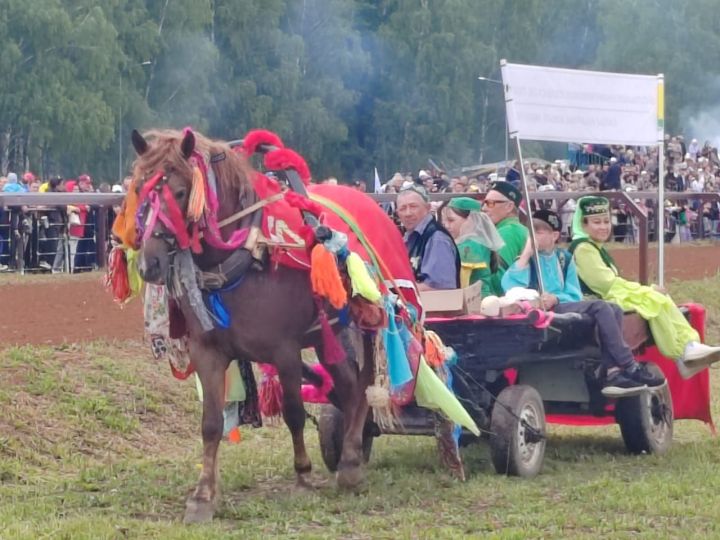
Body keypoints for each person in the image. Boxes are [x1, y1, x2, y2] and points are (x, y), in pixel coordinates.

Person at [502, 209, 665, 397]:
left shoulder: (565, 259)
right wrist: (525, 256)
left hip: (559, 305)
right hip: (535, 312)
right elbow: (509, 286)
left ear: (554, 235)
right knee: (600, 306)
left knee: (614, 308)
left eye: (539, 232)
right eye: (531, 232)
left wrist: (556, 298)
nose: (533, 237)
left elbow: (574, 292)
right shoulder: (525, 261)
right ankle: (629, 365)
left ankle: (612, 371)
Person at [569, 196, 720, 378]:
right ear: (583, 224)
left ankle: (687, 348)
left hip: (608, 295)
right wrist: (644, 290)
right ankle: (683, 353)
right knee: (652, 298)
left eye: (606, 221)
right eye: (596, 222)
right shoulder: (583, 248)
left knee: (657, 297)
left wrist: (645, 289)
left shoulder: (595, 247)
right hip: (595, 301)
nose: (603, 227)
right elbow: (605, 283)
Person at [396, 184, 459, 290]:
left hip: (435, 305)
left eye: (413, 206)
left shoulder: (437, 239)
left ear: (428, 208)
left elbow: (441, 288)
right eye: (403, 208)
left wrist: (397, 289)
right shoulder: (410, 237)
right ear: (397, 213)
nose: (408, 213)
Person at [441, 197, 504, 295]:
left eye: (451, 220)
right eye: (444, 221)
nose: (446, 225)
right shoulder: (478, 242)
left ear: (470, 220)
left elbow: (462, 282)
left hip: (475, 302)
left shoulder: (471, 246)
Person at [482, 180, 528, 295]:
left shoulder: (507, 232)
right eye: (483, 203)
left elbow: (498, 279)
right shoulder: (519, 229)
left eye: (490, 203)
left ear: (509, 206)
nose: (484, 208)